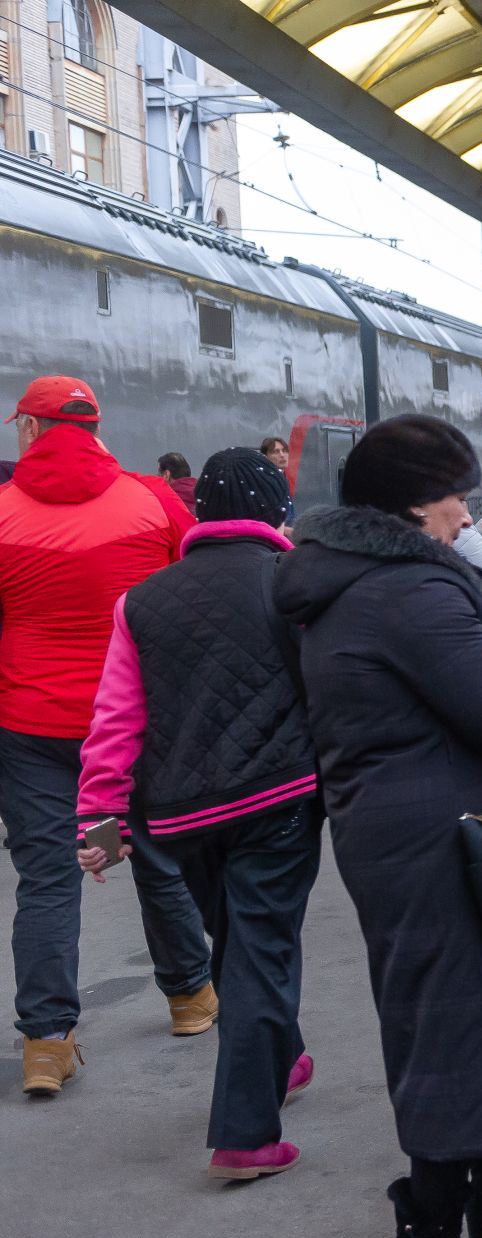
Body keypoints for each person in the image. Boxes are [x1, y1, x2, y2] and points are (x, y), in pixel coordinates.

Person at [273, 415, 482, 1238]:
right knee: (452, 1027)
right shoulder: (409, 590)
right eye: (457, 496)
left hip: (426, 826)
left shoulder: (373, 578)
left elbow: (468, 680)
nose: (468, 515)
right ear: (418, 503)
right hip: (432, 838)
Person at [76, 448, 320, 1179]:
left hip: (180, 817)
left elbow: (116, 718)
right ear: (279, 511)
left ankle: (284, 1053)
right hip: (276, 798)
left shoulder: (143, 599)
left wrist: (100, 820)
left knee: (240, 940)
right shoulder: (291, 586)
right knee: (262, 947)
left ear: (200, 513)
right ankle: (244, 1132)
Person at [0, 375, 212, 1096]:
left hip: (29, 724)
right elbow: (190, 593)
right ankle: (189, 997)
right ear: (95, 426)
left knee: (48, 881)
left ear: (29, 430)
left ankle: (46, 1043)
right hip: (132, 719)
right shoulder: (152, 500)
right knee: (157, 857)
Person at [261, 436, 294, 520]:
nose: (282, 455)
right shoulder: (266, 482)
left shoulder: (283, 478)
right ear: (265, 457)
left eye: (284, 451)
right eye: (276, 452)